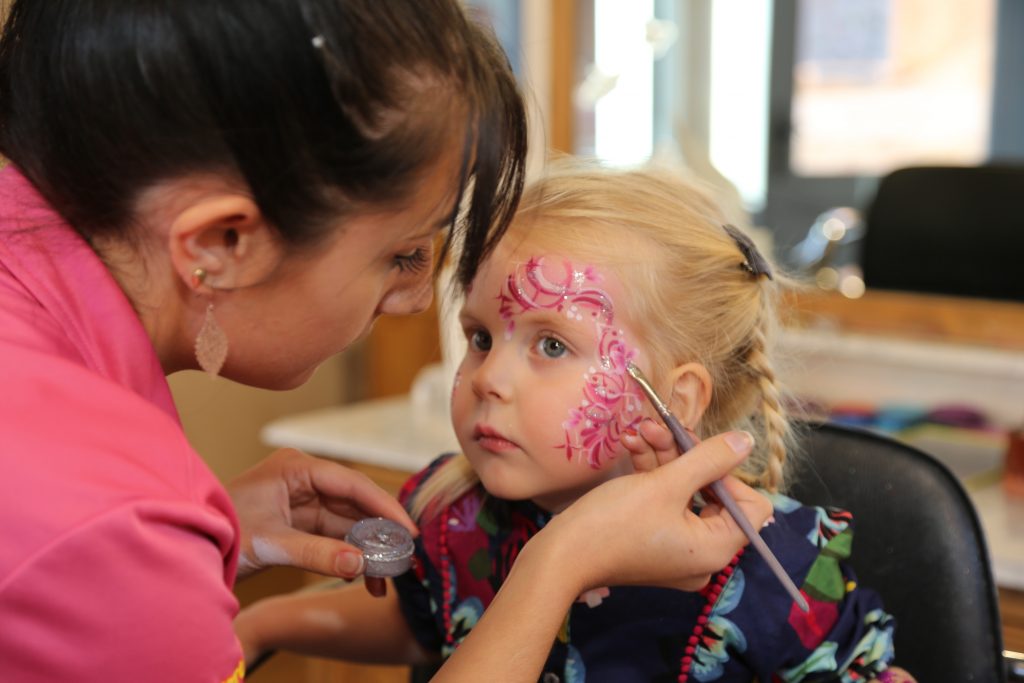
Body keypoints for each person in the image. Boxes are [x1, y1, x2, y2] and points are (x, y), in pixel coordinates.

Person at [0, 2, 772, 682]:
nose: (408, 303)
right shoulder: (104, 527)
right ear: (222, 241)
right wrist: (557, 566)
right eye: (401, 255)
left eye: (551, 344)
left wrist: (196, 530)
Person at [234, 163, 918, 682]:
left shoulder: (770, 571)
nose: (490, 378)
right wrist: (262, 621)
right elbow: (426, 624)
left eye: (552, 345)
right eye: (479, 336)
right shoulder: (457, 513)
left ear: (673, 399)